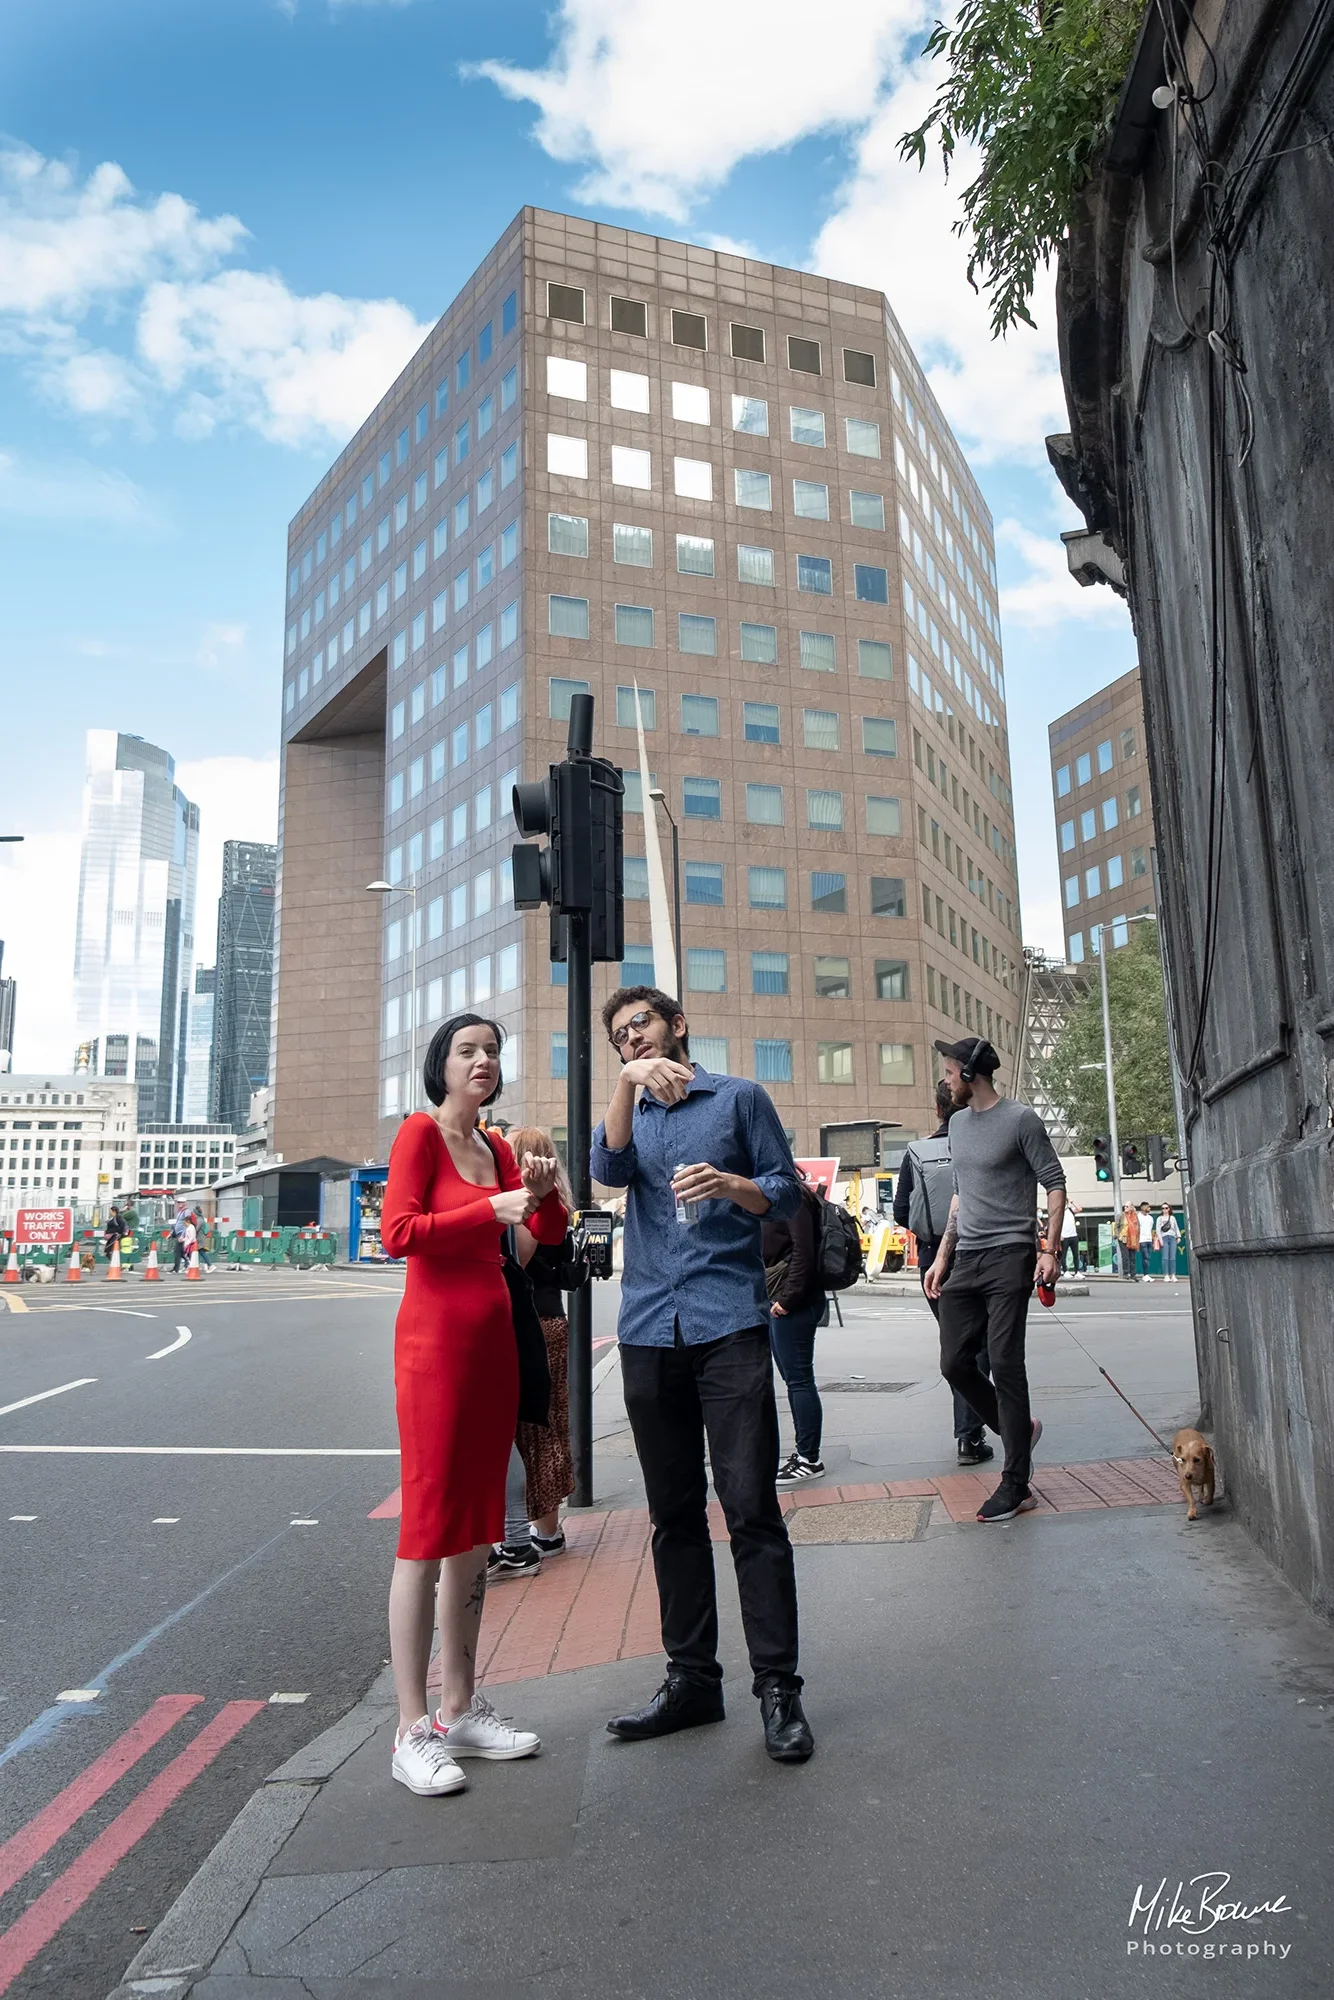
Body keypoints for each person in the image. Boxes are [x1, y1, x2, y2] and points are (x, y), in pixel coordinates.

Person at [591, 986, 813, 1763]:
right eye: (619, 1037)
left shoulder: (740, 1099)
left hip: (729, 1324)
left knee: (751, 1506)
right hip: (650, 1329)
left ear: (677, 1026)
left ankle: (778, 1690)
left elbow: (786, 1191)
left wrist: (730, 1185)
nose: (631, 1041)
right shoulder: (631, 1111)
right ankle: (692, 1680)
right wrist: (625, 1085)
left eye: (641, 1026)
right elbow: (608, 1170)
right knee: (673, 1515)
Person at [379, 1014, 567, 1797]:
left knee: (477, 1531)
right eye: (468, 1051)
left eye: (492, 1051)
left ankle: (460, 1707)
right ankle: (410, 1728)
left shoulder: (495, 1149)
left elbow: (543, 1232)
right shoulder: (419, 1136)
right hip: (435, 1353)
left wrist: (545, 1190)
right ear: (442, 1065)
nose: (484, 1061)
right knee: (427, 1529)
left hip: (493, 1349)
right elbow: (398, 1233)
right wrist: (482, 1214)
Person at [924, 1037, 1066, 1524]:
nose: (944, 1080)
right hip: (969, 1257)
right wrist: (943, 1256)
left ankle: (1016, 1483)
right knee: (954, 1363)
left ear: (969, 1074)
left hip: (1011, 1254)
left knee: (1005, 1362)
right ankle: (1017, 1428)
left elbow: (1054, 1182)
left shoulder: (1021, 1120)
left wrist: (1048, 1249)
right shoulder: (958, 1126)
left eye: (948, 1071)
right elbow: (962, 1196)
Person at [490, 1124, 576, 1577]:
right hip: (555, 1319)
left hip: (529, 1325)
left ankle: (520, 1538)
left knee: (523, 1433)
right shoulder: (558, 1205)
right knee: (548, 1429)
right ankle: (548, 1532)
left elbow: (517, 1263)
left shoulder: (523, 1209)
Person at [894, 1078, 993, 1467]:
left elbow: (902, 1210)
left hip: (934, 1259)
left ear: (937, 1110)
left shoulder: (917, 1151)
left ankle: (969, 1436)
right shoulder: (979, 1142)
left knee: (956, 1346)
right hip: (980, 1252)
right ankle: (974, 1434)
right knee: (984, 1347)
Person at [763, 1166, 828, 1486]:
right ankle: (804, 1453)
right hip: (785, 1298)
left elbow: (804, 1250)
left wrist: (788, 1300)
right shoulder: (781, 1193)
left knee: (799, 1379)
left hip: (795, 1303)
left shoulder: (793, 1196)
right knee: (794, 1378)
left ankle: (809, 1457)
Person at [1155, 1203, 1182, 1282]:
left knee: (1173, 1257)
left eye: (1166, 1208)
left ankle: (1173, 1274)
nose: (1164, 1210)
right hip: (1164, 1237)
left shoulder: (1172, 1218)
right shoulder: (1159, 1218)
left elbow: (1176, 1227)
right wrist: (1160, 1240)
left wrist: (1178, 1236)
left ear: (1169, 1209)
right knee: (1165, 1257)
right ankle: (1166, 1275)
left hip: (1172, 1237)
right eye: (1163, 1208)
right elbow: (1158, 1230)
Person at [1116, 1203, 1140, 1281]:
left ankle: (1133, 1274)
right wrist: (1118, 1236)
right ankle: (1126, 1273)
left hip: (1133, 1239)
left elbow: (1138, 1227)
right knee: (1125, 1257)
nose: (1125, 1208)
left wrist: (1137, 1238)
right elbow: (1116, 1226)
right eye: (1124, 1206)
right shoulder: (1121, 1215)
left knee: (1132, 1258)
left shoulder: (1135, 1216)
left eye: (1127, 1206)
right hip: (1123, 1238)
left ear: (1131, 1207)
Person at [1060, 1200, 1081, 1275]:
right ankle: (1065, 1271)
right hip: (1064, 1236)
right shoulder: (1059, 1211)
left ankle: (1077, 1271)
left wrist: (1072, 1202)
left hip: (1073, 1235)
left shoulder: (1070, 1210)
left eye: (1066, 1202)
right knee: (1063, 1255)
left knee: (1075, 1254)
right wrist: (1060, 1235)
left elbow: (1079, 1209)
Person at [1137, 1202, 1156, 1280]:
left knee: (1148, 1257)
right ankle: (1145, 1274)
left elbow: (1151, 1229)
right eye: (1148, 1207)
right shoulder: (1138, 1217)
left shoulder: (1150, 1218)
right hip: (1142, 1240)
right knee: (1145, 1257)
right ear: (1143, 1207)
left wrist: (1152, 1239)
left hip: (1149, 1239)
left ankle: (1146, 1274)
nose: (1149, 1208)